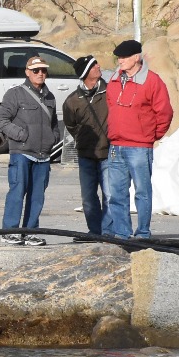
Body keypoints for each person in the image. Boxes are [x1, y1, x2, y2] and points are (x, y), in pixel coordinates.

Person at [102, 39, 172, 239]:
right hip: (116, 146)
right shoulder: (114, 80)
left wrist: (151, 135)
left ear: (136, 57)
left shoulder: (152, 81)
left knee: (142, 192)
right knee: (116, 195)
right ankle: (122, 233)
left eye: (124, 57)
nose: (120, 61)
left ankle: (142, 232)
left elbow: (164, 112)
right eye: (118, 57)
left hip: (140, 148)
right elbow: (111, 108)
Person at [0, 54, 61, 245]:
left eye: (43, 70)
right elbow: (1, 122)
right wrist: (21, 135)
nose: (40, 74)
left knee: (37, 195)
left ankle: (30, 231)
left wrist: (52, 138)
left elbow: (54, 124)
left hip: (43, 155)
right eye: (36, 70)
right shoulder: (15, 94)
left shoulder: (50, 97)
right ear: (27, 72)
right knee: (17, 191)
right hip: (22, 152)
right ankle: (10, 231)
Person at [61, 55, 108, 237]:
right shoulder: (73, 101)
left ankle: (108, 231)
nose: (98, 66)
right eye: (94, 65)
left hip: (108, 153)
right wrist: (82, 139)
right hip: (86, 155)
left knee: (110, 196)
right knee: (88, 198)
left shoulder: (110, 92)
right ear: (86, 73)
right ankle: (95, 231)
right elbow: (70, 125)